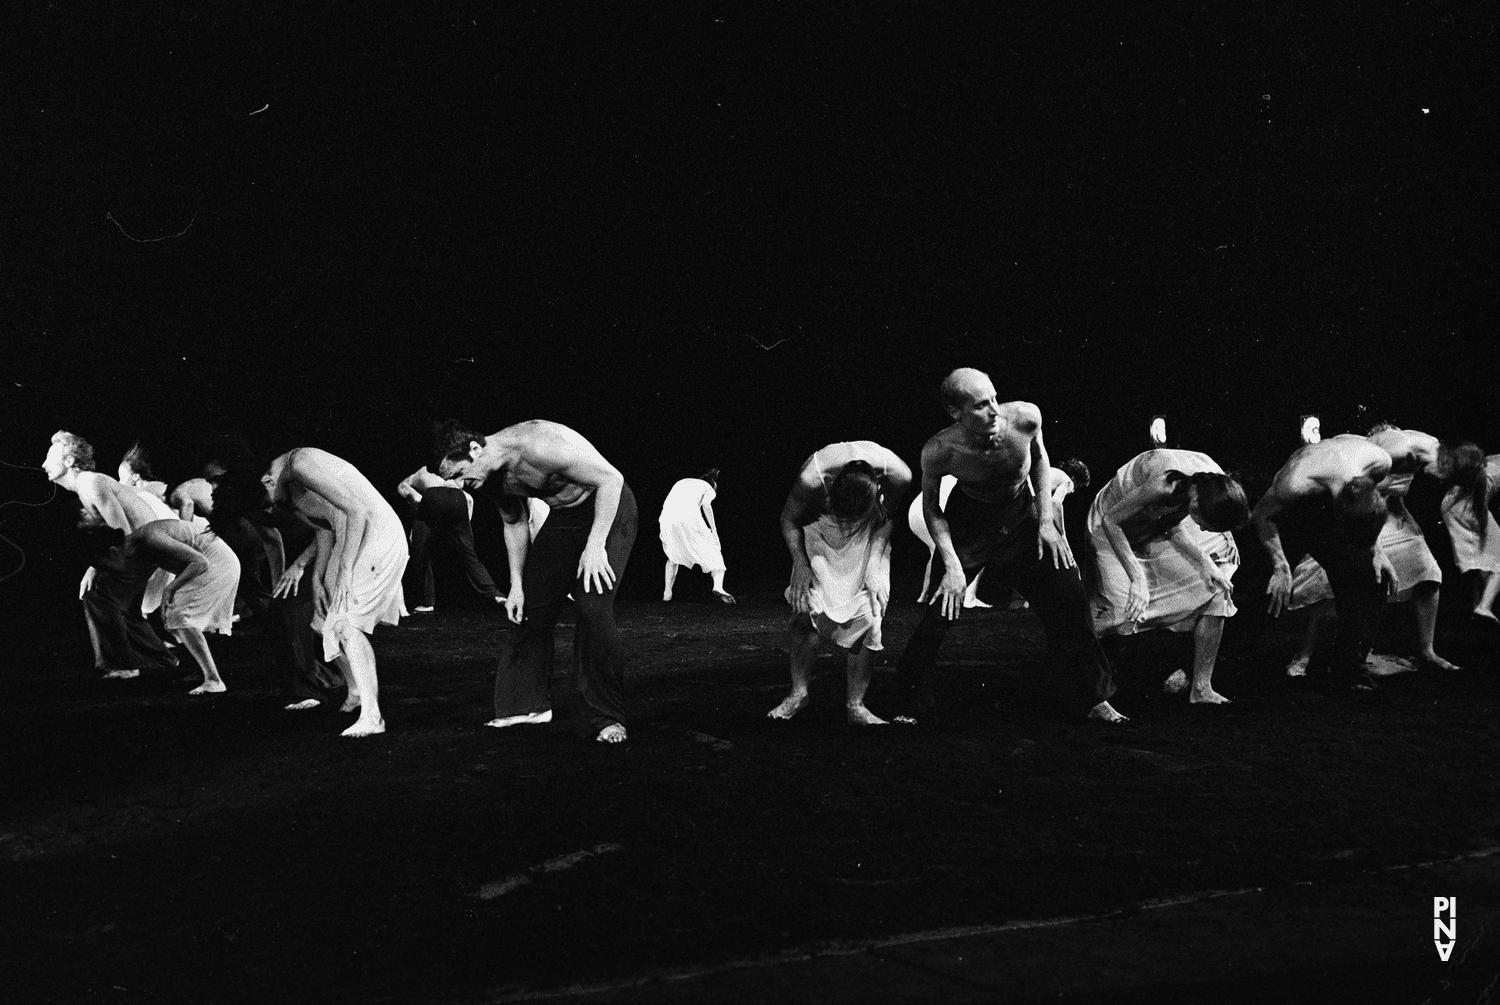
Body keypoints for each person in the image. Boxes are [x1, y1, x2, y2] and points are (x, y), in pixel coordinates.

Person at [892, 369, 1122, 723]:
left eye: (995, 399)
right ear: (957, 413)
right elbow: (932, 507)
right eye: (982, 406)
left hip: (1020, 515)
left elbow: (1041, 460)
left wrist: (1045, 520)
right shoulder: (940, 450)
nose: (995, 411)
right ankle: (907, 702)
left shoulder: (1026, 418)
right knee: (940, 611)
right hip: (970, 520)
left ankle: (1092, 696)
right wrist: (952, 563)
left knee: (1069, 595)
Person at [433, 419, 636, 744]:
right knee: (529, 604)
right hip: (565, 519)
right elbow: (514, 521)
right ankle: (524, 707)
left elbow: (611, 479)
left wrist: (596, 545)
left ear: (474, 450)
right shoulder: (484, 476)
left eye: (458, 475)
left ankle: (606, 718)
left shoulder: (541, 444)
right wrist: (516, 585)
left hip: (608, 508)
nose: (459, 486)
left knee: (592, 605)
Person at [262, 448, 408, 737]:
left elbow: (357, 510)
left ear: (267, 480)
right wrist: (316, 577)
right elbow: (326, 527)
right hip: (351, 537)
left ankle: (372, 716)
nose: (269, 509)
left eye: (266, 502)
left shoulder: (300, 463)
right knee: (321, 619)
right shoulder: (292, 485)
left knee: (346, 624)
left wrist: (345, 569)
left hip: (375, 533)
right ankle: (355, 689)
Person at [1085, 449, 1250, 704]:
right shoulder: (1166, 484)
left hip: (1157, 525)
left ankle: (1201, 688)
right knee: (1121, 608)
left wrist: (1207, 564)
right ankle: (1085, 683)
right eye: (1205, 524)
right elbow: (1112, 521)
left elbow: (1171, 523)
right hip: (1110, 523)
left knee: (1216, 589)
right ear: (1196, 504)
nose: (1204, 530)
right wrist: (1137, 579)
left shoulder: (1213, 486)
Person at [775, 446, 911, 725]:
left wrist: (874, 566)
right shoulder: (812, 477)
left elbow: (888, 520)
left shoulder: (899, 474)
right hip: (821, 532)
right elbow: (789, 520)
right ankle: (798, 694)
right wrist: (800, 564)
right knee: (806, 608)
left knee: (870, 614)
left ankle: (855, 705)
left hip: (869, 536)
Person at [1253, 434, 1395, 688]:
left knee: (1372, 576)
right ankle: (1220, 663)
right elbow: (1262, 515)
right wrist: (1280, 565)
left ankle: (1350, 667)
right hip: (1290, 518)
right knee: (1265, 592)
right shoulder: (1295, 484)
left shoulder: (1381, 461)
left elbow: (1370, 506)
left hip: (1338, 505)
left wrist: (1378, 551)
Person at [45, 431, 179, 679]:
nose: (44, 465)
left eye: (50, 457)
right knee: (126, 607)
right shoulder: (86, 485)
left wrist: (95, 568)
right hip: (145, 548)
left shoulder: (90, 483)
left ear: (69, 461)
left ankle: (126, 664)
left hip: (142, 547)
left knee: (98, 595)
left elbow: (121, 532)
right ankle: (162, 660)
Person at [122, 519, 241, 694]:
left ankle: (214, 680)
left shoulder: (149, 538)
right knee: (173, 618)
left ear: (114, 550)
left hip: (216, 564)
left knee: (180, 616)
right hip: (211, 563)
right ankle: (202, 672)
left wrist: (169, 589)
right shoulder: (138, 545)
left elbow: (200, 562)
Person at [396, 465, 501, 612]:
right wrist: (465, 528)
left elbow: (408, 491)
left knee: (420, 553)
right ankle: (495, 594)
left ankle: (427, 602)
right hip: (459, 498)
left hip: (433, 496)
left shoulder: (415, 476)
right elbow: (469, 500)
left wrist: (414, 499)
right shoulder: (452, 471)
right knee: (469, 555)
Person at [1438, 444, 1500, 625]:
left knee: (1483, 560)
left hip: (1451, 504)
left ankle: (1477, 607)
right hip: (1469, 507)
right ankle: (1484, 606)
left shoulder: (1490, 462)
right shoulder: (1490, 471)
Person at [660, 468, 734, 603]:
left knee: (673, 555)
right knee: (714, 550)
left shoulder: (681, 482)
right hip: (689, 517)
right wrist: (714, 531)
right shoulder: (709, 488)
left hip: (667, 518)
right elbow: (706, 505)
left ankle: (667, 593)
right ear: (713, 485)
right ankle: (718, 586)